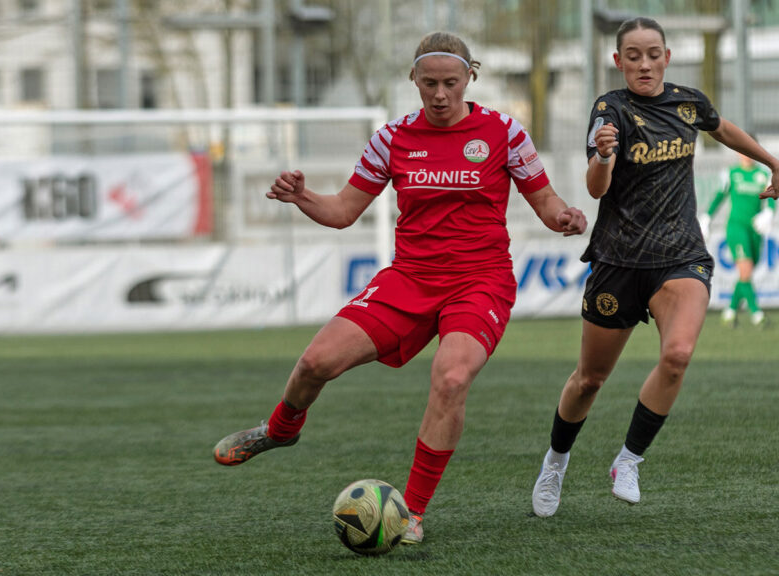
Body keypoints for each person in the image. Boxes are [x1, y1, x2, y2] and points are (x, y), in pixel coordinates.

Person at [212, 31, 588, 545]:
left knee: (452, 378)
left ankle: (411, 511)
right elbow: (344, 211)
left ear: (469, 78)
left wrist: (563, 216)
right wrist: (303, 198)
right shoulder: (392, 138)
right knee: (315, 363)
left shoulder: (503, 132)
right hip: (409, 279)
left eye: (450, 83)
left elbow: (546, 203)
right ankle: (280, 429)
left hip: (480, 282)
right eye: (428, 83)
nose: (439, 94)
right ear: (413, 79)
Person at [531, 16, 779, 517]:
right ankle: (556, 462)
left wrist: (771, 163)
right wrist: (603, 156)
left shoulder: (688, 102)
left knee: (678, 356)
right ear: (618, 61)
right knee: (589, 380)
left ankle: (628, 459)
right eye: (633, 55)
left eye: (653, 54)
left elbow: (723, 128)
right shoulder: (610, 110)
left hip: (681, 256)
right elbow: (595, 189)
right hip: (618, 260)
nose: (644, 64)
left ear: (667, 57)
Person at [699, 150, 777, 328]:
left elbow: (772, 197)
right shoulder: (732, 174)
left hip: (755, 229)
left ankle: (730, 312)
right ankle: (757, 315)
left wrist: (769, 212)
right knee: (746, 269)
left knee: (746, 273)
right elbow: (719, 196)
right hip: (736, 228)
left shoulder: (763, 175)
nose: (747, 155)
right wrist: (707, 217)